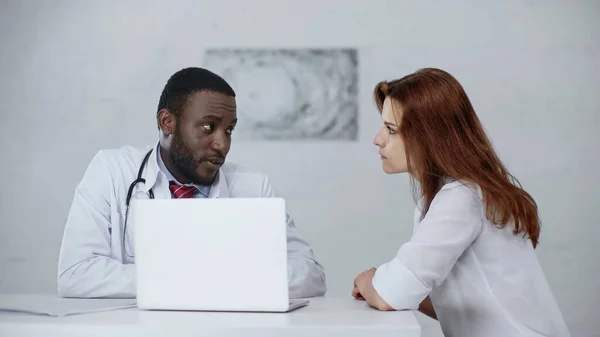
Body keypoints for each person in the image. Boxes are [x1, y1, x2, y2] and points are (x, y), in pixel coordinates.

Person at [57, 67, 326, 299]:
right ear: (167, 122)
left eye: (229, 129)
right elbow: (76, 274)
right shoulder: (112, 171)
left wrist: (181, 281)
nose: (222, 144)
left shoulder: (254, 187)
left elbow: (310, 275)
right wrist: (201, 280)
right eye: (208, 127)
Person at [352, 68, 570, 336]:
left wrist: (370, 282)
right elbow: (466, 302)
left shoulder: (461, 198)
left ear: (429, 137)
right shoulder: (459, 195)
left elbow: (390, 294)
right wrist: (392, 288)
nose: (378, 139)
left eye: (391, 129)